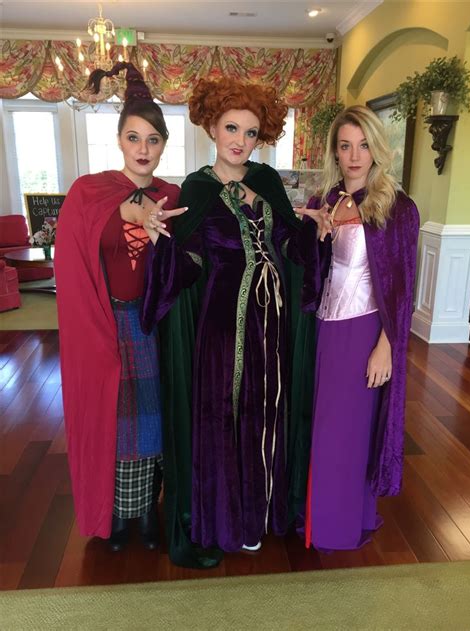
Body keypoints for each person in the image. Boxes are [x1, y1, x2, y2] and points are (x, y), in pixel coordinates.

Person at [142, 77, 314, 555]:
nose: (240, 141)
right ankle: (226, 516)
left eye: (252, 132)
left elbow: (291, 250)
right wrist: (160, 240)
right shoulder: (194, 190)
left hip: (272, 324)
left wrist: (313, 230)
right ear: (212, 128)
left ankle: (261, 513)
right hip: (221, 326)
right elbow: (185, 264)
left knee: (267, 414)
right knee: (226, 416)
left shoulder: (266, 181)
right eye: (231, 128)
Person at [55, 62, 186, 552]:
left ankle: (146, 514)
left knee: (150, 421)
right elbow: (74, 253)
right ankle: (113, 514)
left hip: (151, 323)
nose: (144, 149)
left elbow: (189, 264)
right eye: (135, 138)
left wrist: (163, 240)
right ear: (119, 141)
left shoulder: (173, 196)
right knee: (112, 421)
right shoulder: (90, 192)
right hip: (103, 322)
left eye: (153, 140)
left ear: (163, 144)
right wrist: (129, 211)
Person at [296, 105, 420, 551]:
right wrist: (316, 238)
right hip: (323, 330)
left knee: (349, 431)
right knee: (322, 427)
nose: (354, 156)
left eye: (363, 145)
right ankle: (316, 519)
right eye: (345, 146)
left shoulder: (397, 207)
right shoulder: (322, 202)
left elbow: (402, 287)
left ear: (376, 149)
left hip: (365, 331)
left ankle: (341, 525)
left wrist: (387, 345)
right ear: (335, 151)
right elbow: (309, 278)